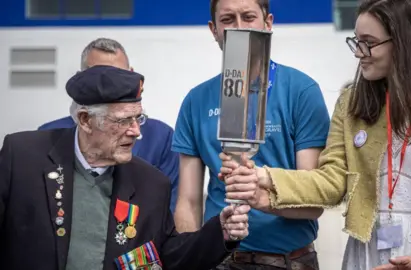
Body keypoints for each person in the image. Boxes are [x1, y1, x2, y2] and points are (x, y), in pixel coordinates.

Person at [218, 0, 411, 269]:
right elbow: (332, 181)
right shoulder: (352, 102)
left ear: (405, 42)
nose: (359, 53)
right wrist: (263, 175)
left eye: (369, 42)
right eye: (356, 41)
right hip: (368, 254)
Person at [0, 65, 250, 270]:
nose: (137, 132)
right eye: (123, 121)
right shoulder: (22, 157)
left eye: (138, 118)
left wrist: (220, 233)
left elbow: (169, 255)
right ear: (86, 120)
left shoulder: (151, 184)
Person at [171, 0, 330, 269]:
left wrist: (261, 197)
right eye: (228, 20)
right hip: (219, 259)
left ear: (268, 23)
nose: (240, 28)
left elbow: (314, 200)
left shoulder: (301, 91)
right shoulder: (196, 101)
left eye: (248, 17)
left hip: (289, 261)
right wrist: (191, 256)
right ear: (214, 30)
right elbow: (188, 201)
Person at [38, 38, 180, 213]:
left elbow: (168, 214)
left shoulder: (160, 138)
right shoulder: (48, 139)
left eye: (119, 76)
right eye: (98, 77)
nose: (111, 87)